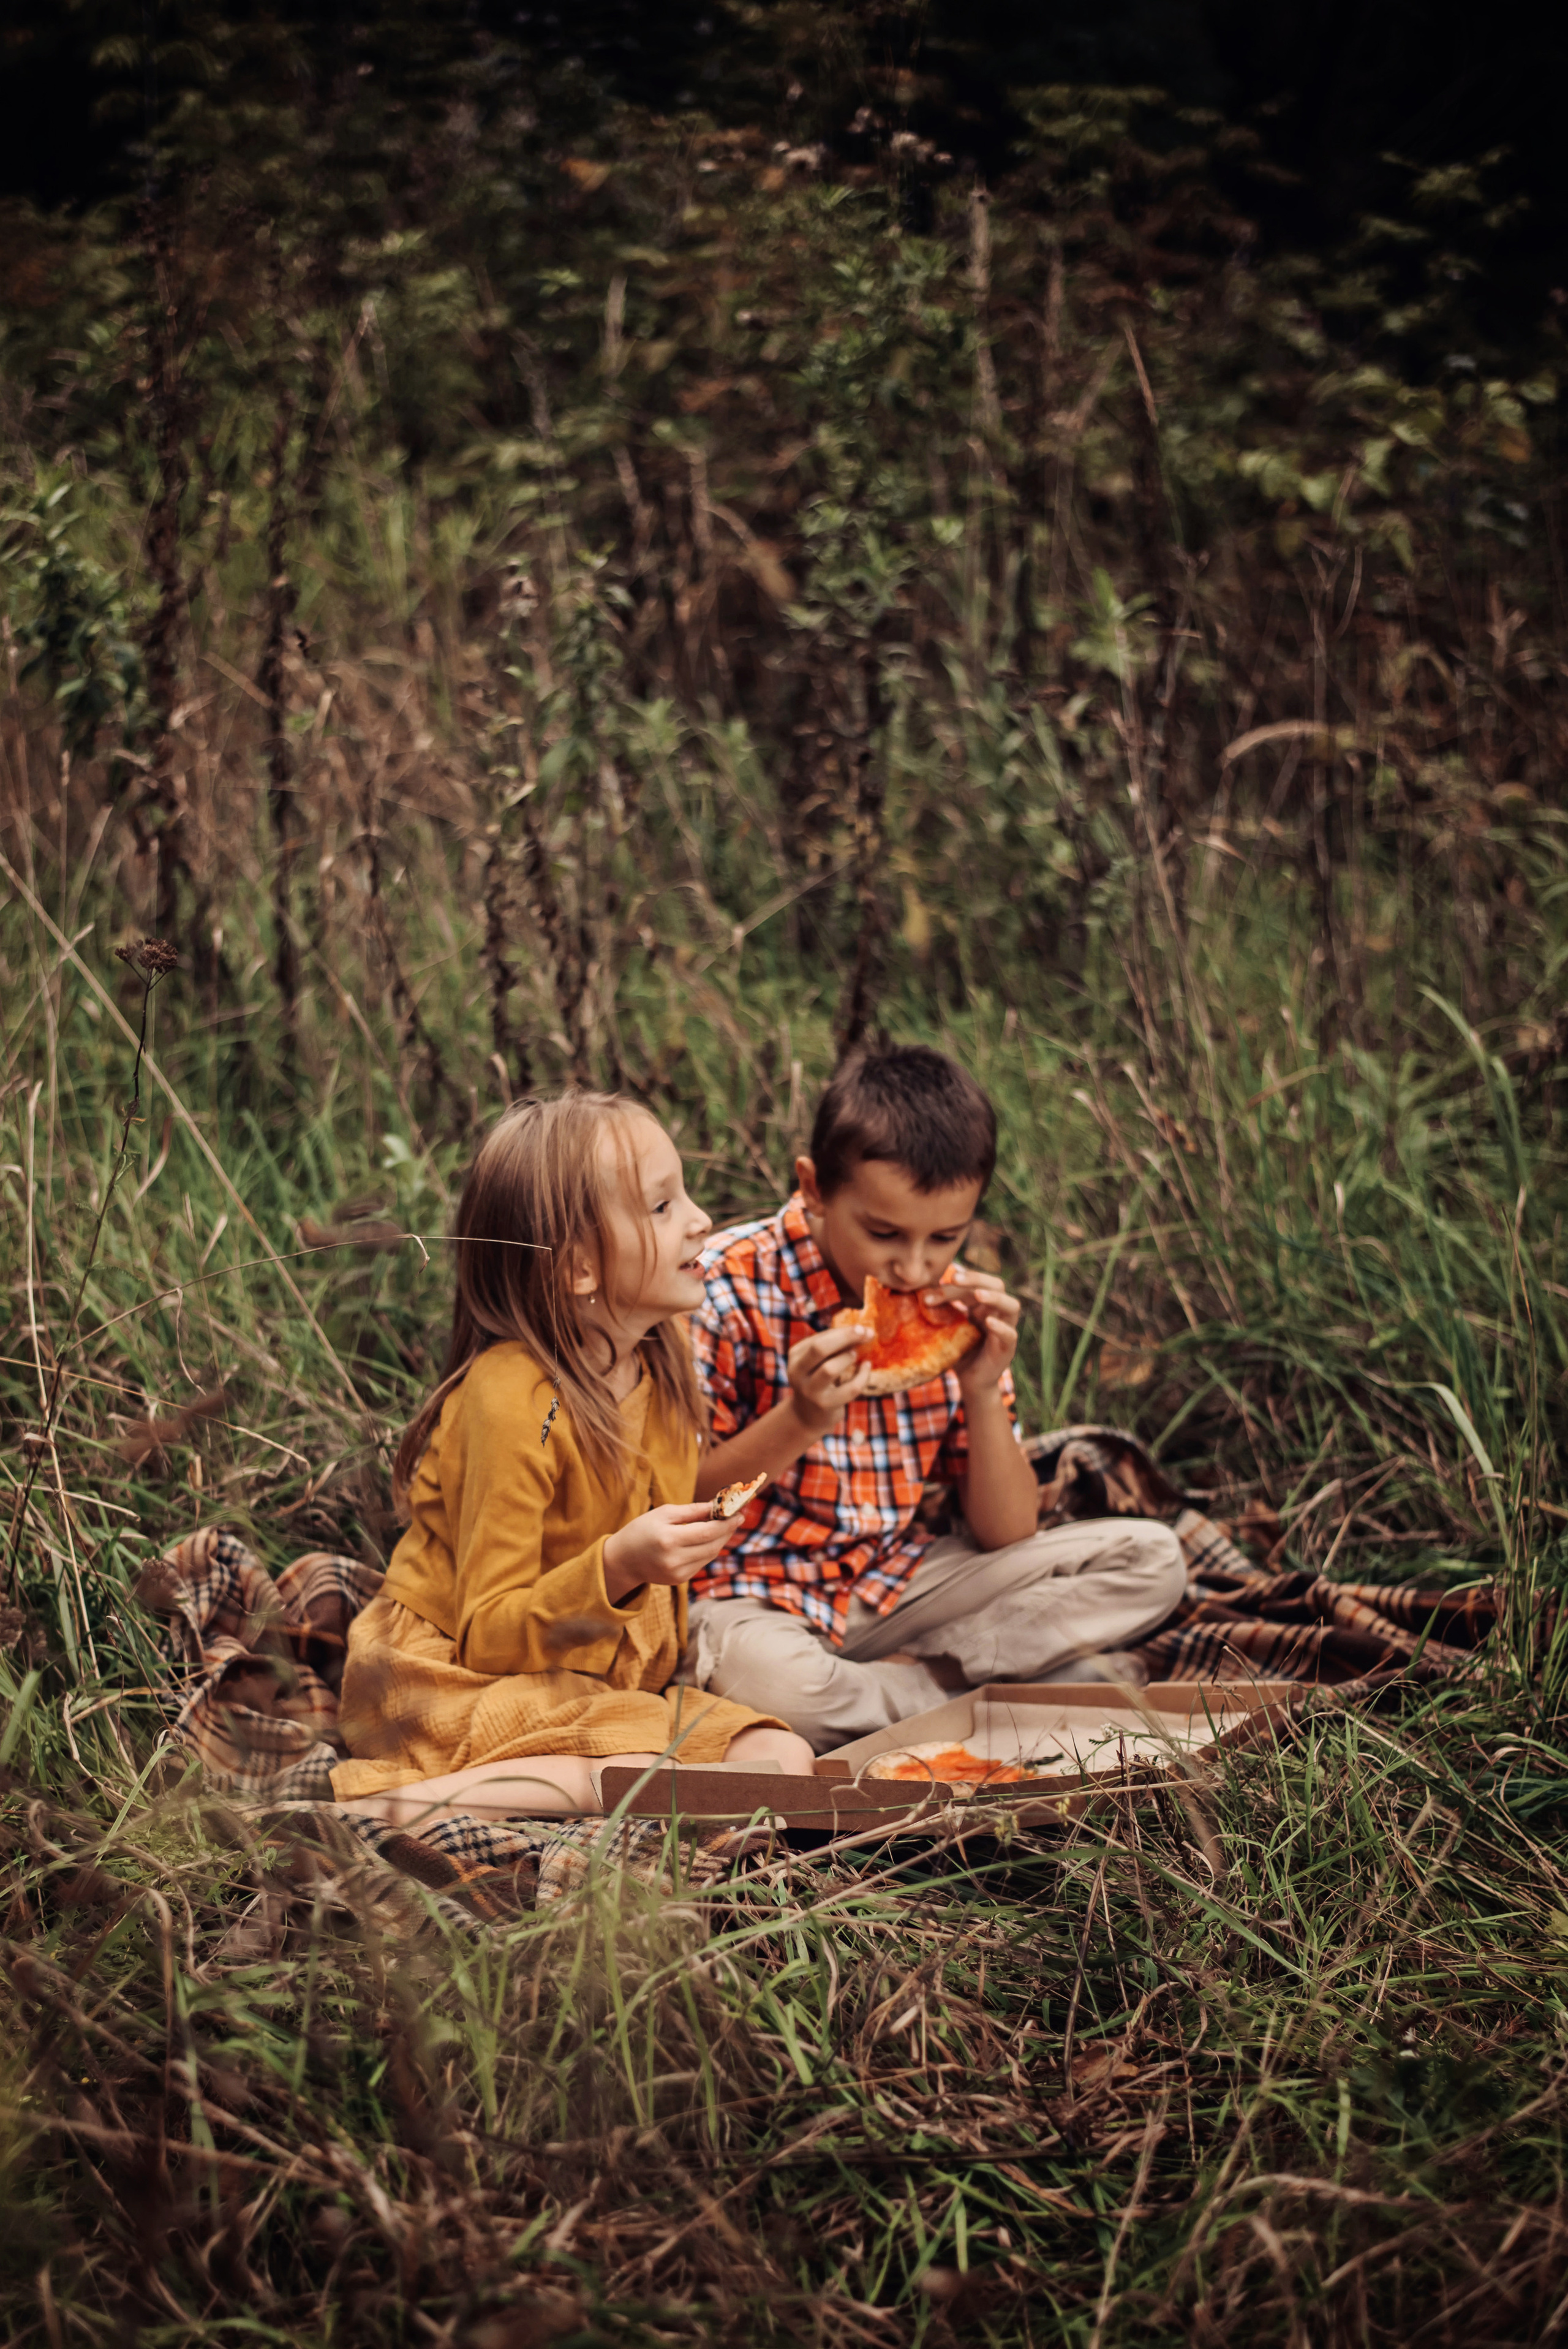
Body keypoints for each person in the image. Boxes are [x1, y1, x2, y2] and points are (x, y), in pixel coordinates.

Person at [331, 1092, 813, 1828]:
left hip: (584, 1678)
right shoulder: (511, 1399)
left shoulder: (661, 1358)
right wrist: (619, 1566)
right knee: (631, 1767)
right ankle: (386, 1808)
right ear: (580, 1269)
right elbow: (489, 1631)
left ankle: (621, 1800)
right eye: (660, 1207)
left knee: (780, 1758)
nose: (700, 1219)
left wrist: (806, 1417)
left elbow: (672, 1498)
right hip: (448, 1677)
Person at [687, 1046, 1186, 1752]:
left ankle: (919, 1687)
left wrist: (982, 1392)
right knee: (771, 1685)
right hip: (750, 1591)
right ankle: (1005, 1693)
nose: (915, 1266)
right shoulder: (722, 1291)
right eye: (884, 1233)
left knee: (1152, 1560)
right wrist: (799, 1419)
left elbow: (1005, 1534)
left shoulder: (956, 1308)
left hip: (899, 1585)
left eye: (945, 1237)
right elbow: (677, 1501)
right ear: (814, 1188)